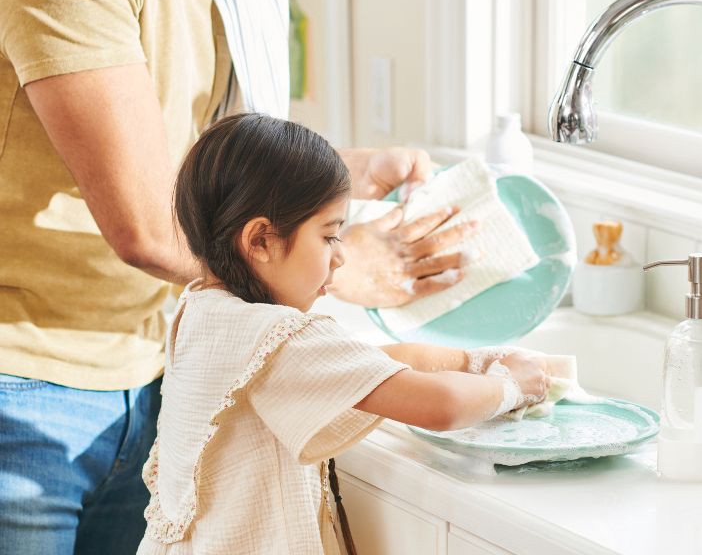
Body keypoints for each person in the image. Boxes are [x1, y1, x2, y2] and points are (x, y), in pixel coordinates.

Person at [0, 0, 475, 552]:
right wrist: (337, 260)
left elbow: (175, 155)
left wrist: (340, 174)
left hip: (157, 362)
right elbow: (151, 227)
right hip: (28, 387)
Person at [136, 113, 550, 555]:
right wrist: (510, 387)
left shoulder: (202, 308)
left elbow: (368, 361)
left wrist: (471, 361)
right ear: (259, 241)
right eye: (330, 236)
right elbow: (439, 405)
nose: (340, 259)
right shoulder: (279, 335)